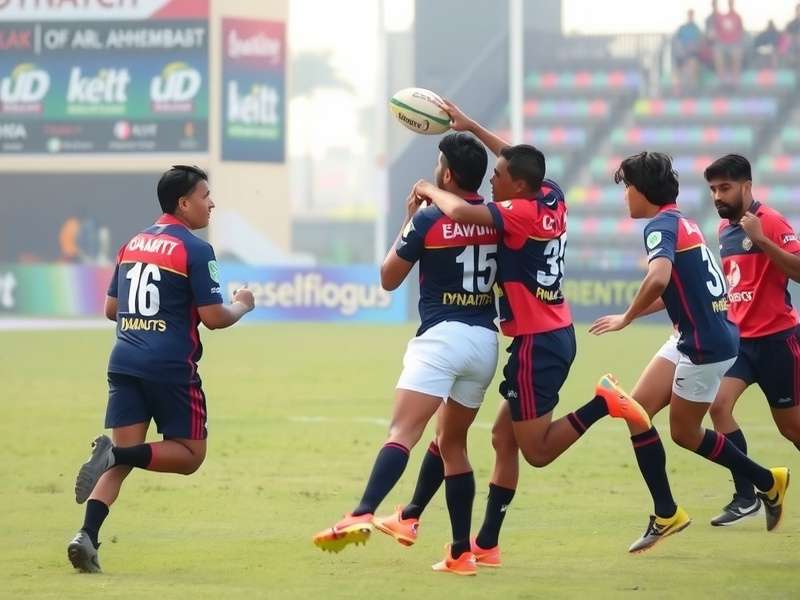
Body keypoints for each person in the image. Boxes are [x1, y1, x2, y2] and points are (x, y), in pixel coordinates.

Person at [411, 100, 651, 559]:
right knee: (504, 439)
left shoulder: (519, 213)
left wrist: (427, 188)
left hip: (536, 343)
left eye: (498, 177)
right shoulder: (549, 195)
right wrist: (471, 125)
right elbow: (517, 159)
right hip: (556, 332)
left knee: (536, 451)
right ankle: (488, 544)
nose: (491, 180)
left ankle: (603, 403)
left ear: (518, 186)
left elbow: (459, 213)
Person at [313, 133, 501, 576]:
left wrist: (409, 220)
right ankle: (460, 553)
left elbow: (388, 278)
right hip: (484, 342)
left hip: (441, 339)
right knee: (452, 444)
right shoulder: (497, 217)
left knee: (402, 431)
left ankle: (362, 511)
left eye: (439, 164)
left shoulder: (431, 219)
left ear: (447, 174)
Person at [590, 152, 790, 552]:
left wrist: (628, 317)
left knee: (683, 432)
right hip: (696, 334)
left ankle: (764, 482)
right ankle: (669, 511)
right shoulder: (684, 222)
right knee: (636, 410)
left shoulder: (659, 228)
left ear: (642, 190)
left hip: (705, 344)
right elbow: (678, 290)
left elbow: (659, 276)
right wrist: (631, 313)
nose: (625, 195)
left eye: (627, 186)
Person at [68, 165, 255, 573]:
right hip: (168, 366)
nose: (212, 203)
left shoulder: (131, 244)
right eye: (206, 196)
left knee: (122, 461)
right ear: (184, 203)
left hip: (124, 362)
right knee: (189, 456)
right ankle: (113, 453)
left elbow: (111, 309)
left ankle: (87, 536)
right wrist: (243, 302)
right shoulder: (196, 249)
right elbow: (214, 317)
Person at [703, 154, 800, 526]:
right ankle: (746, 497)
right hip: (740, 343)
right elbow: (734, 288)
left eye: (724, 188)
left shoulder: (771, 222)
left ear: (746, 186)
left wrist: (762, 241)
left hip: (778, 342)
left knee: (791, 428)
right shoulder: (725, 232)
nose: (717, 196)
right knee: (718, 406)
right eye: (713, 189)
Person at [710, 0, 745, 85]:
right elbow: (715, 32)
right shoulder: (721, 17)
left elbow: (741, 32)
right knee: (717, 54)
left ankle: (735, 82)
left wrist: (737, 41)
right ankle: (721, 81)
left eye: (731, 2)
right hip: (722, 44)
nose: (730, 4)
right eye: (729, 2)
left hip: (734, 44)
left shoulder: (738, 17)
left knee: (737, 54)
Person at [673, 9, 704, 92]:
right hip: (682, 55)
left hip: (693, 55)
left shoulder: (697, 29)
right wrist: (682, 51)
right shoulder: (682, 28)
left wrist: (693, 47)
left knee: (693, 64)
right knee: (677, 69)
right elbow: (677, 41)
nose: (690, 17)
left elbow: (700, 42)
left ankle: (691, 89)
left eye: (692, 15)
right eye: (689, 15)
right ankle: (678, 90)